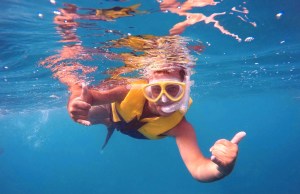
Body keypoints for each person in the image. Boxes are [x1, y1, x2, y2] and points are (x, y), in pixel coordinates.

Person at [67, 64, 246, 182]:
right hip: (112, 113)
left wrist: (221, 168)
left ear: (185, 92)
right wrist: (76, 104)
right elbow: (93, 96)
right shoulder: (128, 90)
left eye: (173, 90)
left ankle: (107, 123)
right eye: (154, 90)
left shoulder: (181, 128)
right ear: (146, 87)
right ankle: (105, 122)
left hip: (135, 130)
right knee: (86, 115)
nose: (162, 99)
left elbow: (199, 169)